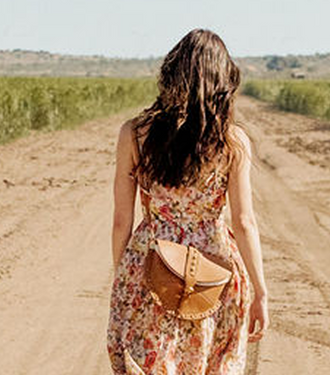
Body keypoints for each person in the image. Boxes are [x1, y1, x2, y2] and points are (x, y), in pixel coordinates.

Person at [106, 29, 268, 375]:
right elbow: (244, 222)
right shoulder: (232, 141)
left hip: (153, 260)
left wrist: (124, 276)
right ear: (222, 81)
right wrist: (260, 290)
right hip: (214, 267)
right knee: (211, 361)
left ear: (171, 74)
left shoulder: (134, 134)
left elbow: (122, 219)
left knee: (152, 362)